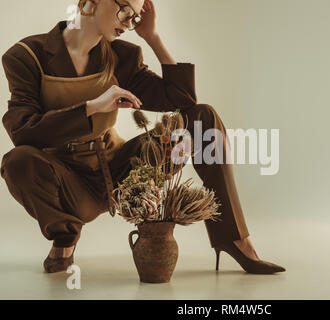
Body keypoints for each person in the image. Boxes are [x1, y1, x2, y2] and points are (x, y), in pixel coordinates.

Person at [1, 0, 285, 274]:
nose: (130, 22)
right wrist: (93, 106)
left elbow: (181, 99)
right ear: (91, 1)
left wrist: (153, 37)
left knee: (203, 118)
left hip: (120, 173)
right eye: (125, 10)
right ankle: (65, 236)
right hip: (68, 183)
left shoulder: (120, 56)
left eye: (135, 17)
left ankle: (232, 238)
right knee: (18, 161)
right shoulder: (27, 56)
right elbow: (23, 131)